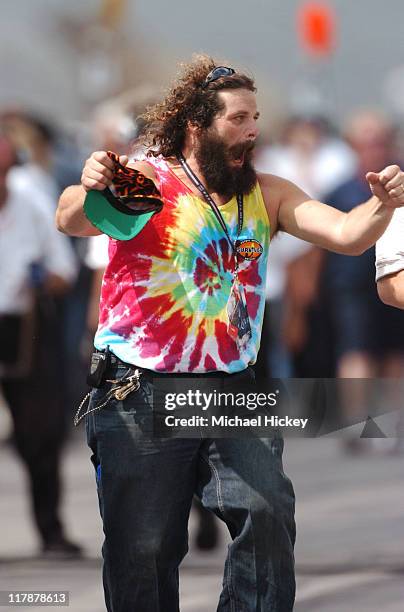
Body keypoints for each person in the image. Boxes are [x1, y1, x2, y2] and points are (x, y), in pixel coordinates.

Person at [56, 56, 404, 612]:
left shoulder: (268, 194)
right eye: (238, 118)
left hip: (231, 388)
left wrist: (382, 206)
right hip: (140, 390)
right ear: (198, 124)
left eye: (256, 117)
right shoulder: (149, 179)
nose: (252, 129)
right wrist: (91, 182)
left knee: (267, 513)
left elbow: (346, 234)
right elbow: (72, 218)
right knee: (142, 548)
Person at [0, 135, 81, 557]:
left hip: (25, 329)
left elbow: (64, 271)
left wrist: (42, 279)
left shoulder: (30, 204)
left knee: (41, 434)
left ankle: (51, 531)